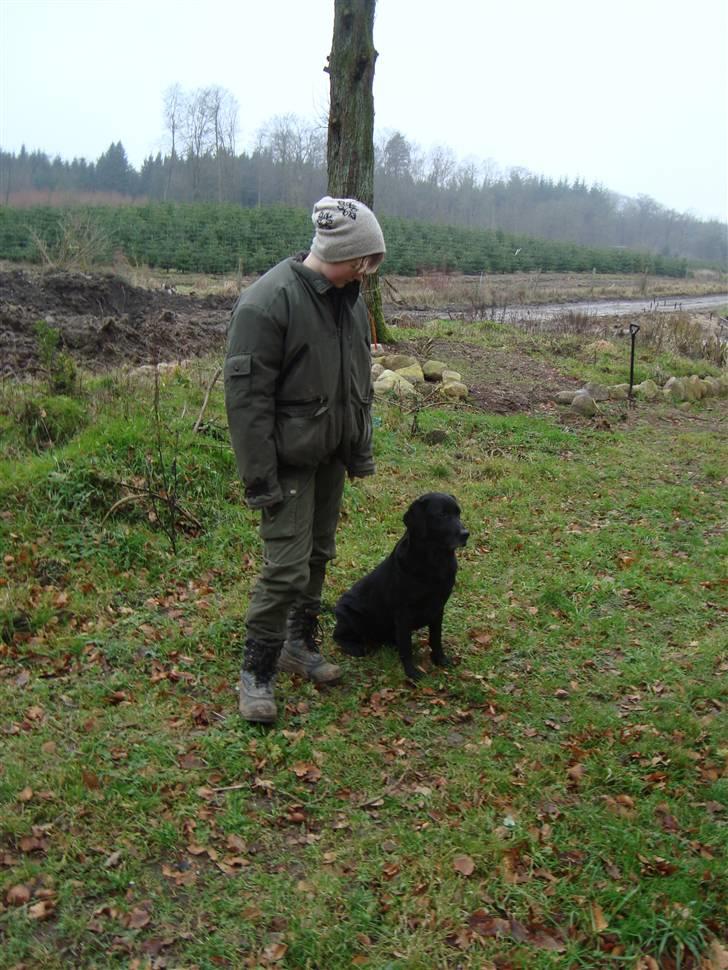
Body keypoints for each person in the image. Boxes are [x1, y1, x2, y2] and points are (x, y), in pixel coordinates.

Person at [224, 196, 386, 723]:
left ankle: (299, 643)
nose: (367, 271)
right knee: (286, 569)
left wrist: (356, 449)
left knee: (318, 555)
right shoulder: (266, 303)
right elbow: (247, 404)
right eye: (363, 260)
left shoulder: (349, 300)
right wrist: (259, 480)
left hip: (329, 456)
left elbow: (356, 381)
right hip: (286, 462)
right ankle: (258, 671)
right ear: (340, 251)